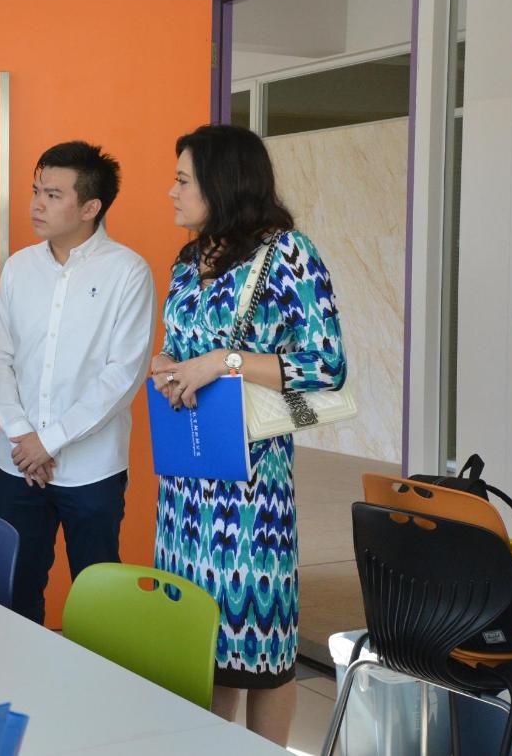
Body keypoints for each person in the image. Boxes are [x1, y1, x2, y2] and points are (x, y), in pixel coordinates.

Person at [150, 124, 348, 746]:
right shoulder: (189, 260)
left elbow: (326, 366)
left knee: (259, 650)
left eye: (182, 180)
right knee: (199, 649)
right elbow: (179, 346)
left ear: (222, 183)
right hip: (186, 487)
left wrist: (224, 362)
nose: (171, 192)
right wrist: (167, 365)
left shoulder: (289, 254)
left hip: (251, 492)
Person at [0, 141, 155, 624]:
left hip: (91, 470)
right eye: (36, 190)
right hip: (16, 464)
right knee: (10, 592)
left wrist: (49, 441)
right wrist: (23, 436)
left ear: (90, 207)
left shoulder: (127, 271)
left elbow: (122, 375)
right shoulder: (19, 267)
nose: (37, 204)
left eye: (53, 195)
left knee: (99, 600)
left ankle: (97, 677)